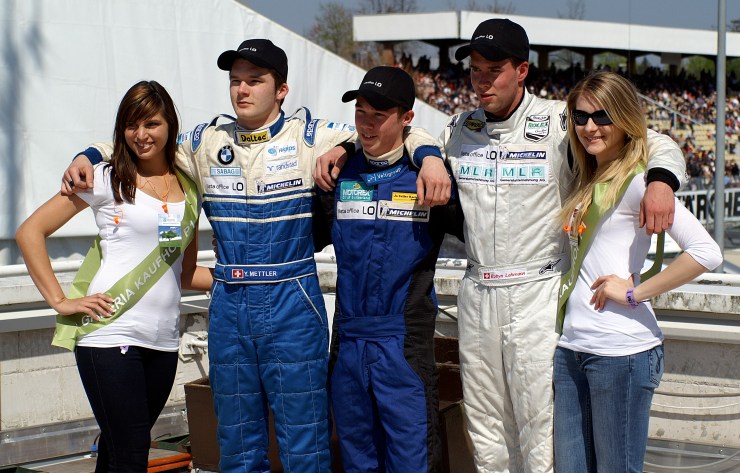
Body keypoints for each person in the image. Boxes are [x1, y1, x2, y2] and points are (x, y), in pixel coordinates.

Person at [314, 18, 688, 473]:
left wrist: (661, 182)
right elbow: (404, 133)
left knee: (539, 430)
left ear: (522, 70)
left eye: (494, 70)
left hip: (537, 292)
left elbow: (651, 139)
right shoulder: (459, 128)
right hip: (477, 294)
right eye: (475, 70)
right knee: (485, 431)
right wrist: (350, 146)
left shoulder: (559, 121)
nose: (482, 81)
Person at [60, 39, 451, 472]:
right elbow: (144, 140)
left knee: (306, 442)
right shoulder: (205, 142)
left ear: (281, 89)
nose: (242, 90)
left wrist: (430, 157)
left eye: (254, 81)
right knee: (238, 444)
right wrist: (89, 154)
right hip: (230, 303)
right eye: (235, 81)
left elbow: (393, 132)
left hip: (292, 300)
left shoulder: (312, 137)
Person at [16, 80, 212, 473]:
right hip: (109, 333)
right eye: (131, 125)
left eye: (151, 124)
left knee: (118, 452)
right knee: (132, 453)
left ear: (170, 126)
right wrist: (60, 301)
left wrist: (243, 276)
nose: (141, 135)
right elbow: (30, 232)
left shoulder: (189, 188)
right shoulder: (106, 177)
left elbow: (186, 273)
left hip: (162, 341)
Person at [555, 71, 722, 473]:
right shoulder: (585, 176)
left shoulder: (639, 181)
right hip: (571, 348)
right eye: (581, 117)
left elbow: (707, 252)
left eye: (602, 116)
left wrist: (634, 293)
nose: (590, 127)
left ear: (624, 118)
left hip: (621, 353)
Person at [316, 66, 463, 472]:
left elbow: (482, 237)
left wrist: (431, 156)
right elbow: (305, 237)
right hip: (347, 342)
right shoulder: (337, 173)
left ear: (406, 118)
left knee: (412, 459)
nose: (366, 124)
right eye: (360, 113)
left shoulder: (430, 178)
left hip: (403, 345)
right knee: (356, 457)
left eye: (378, 116)